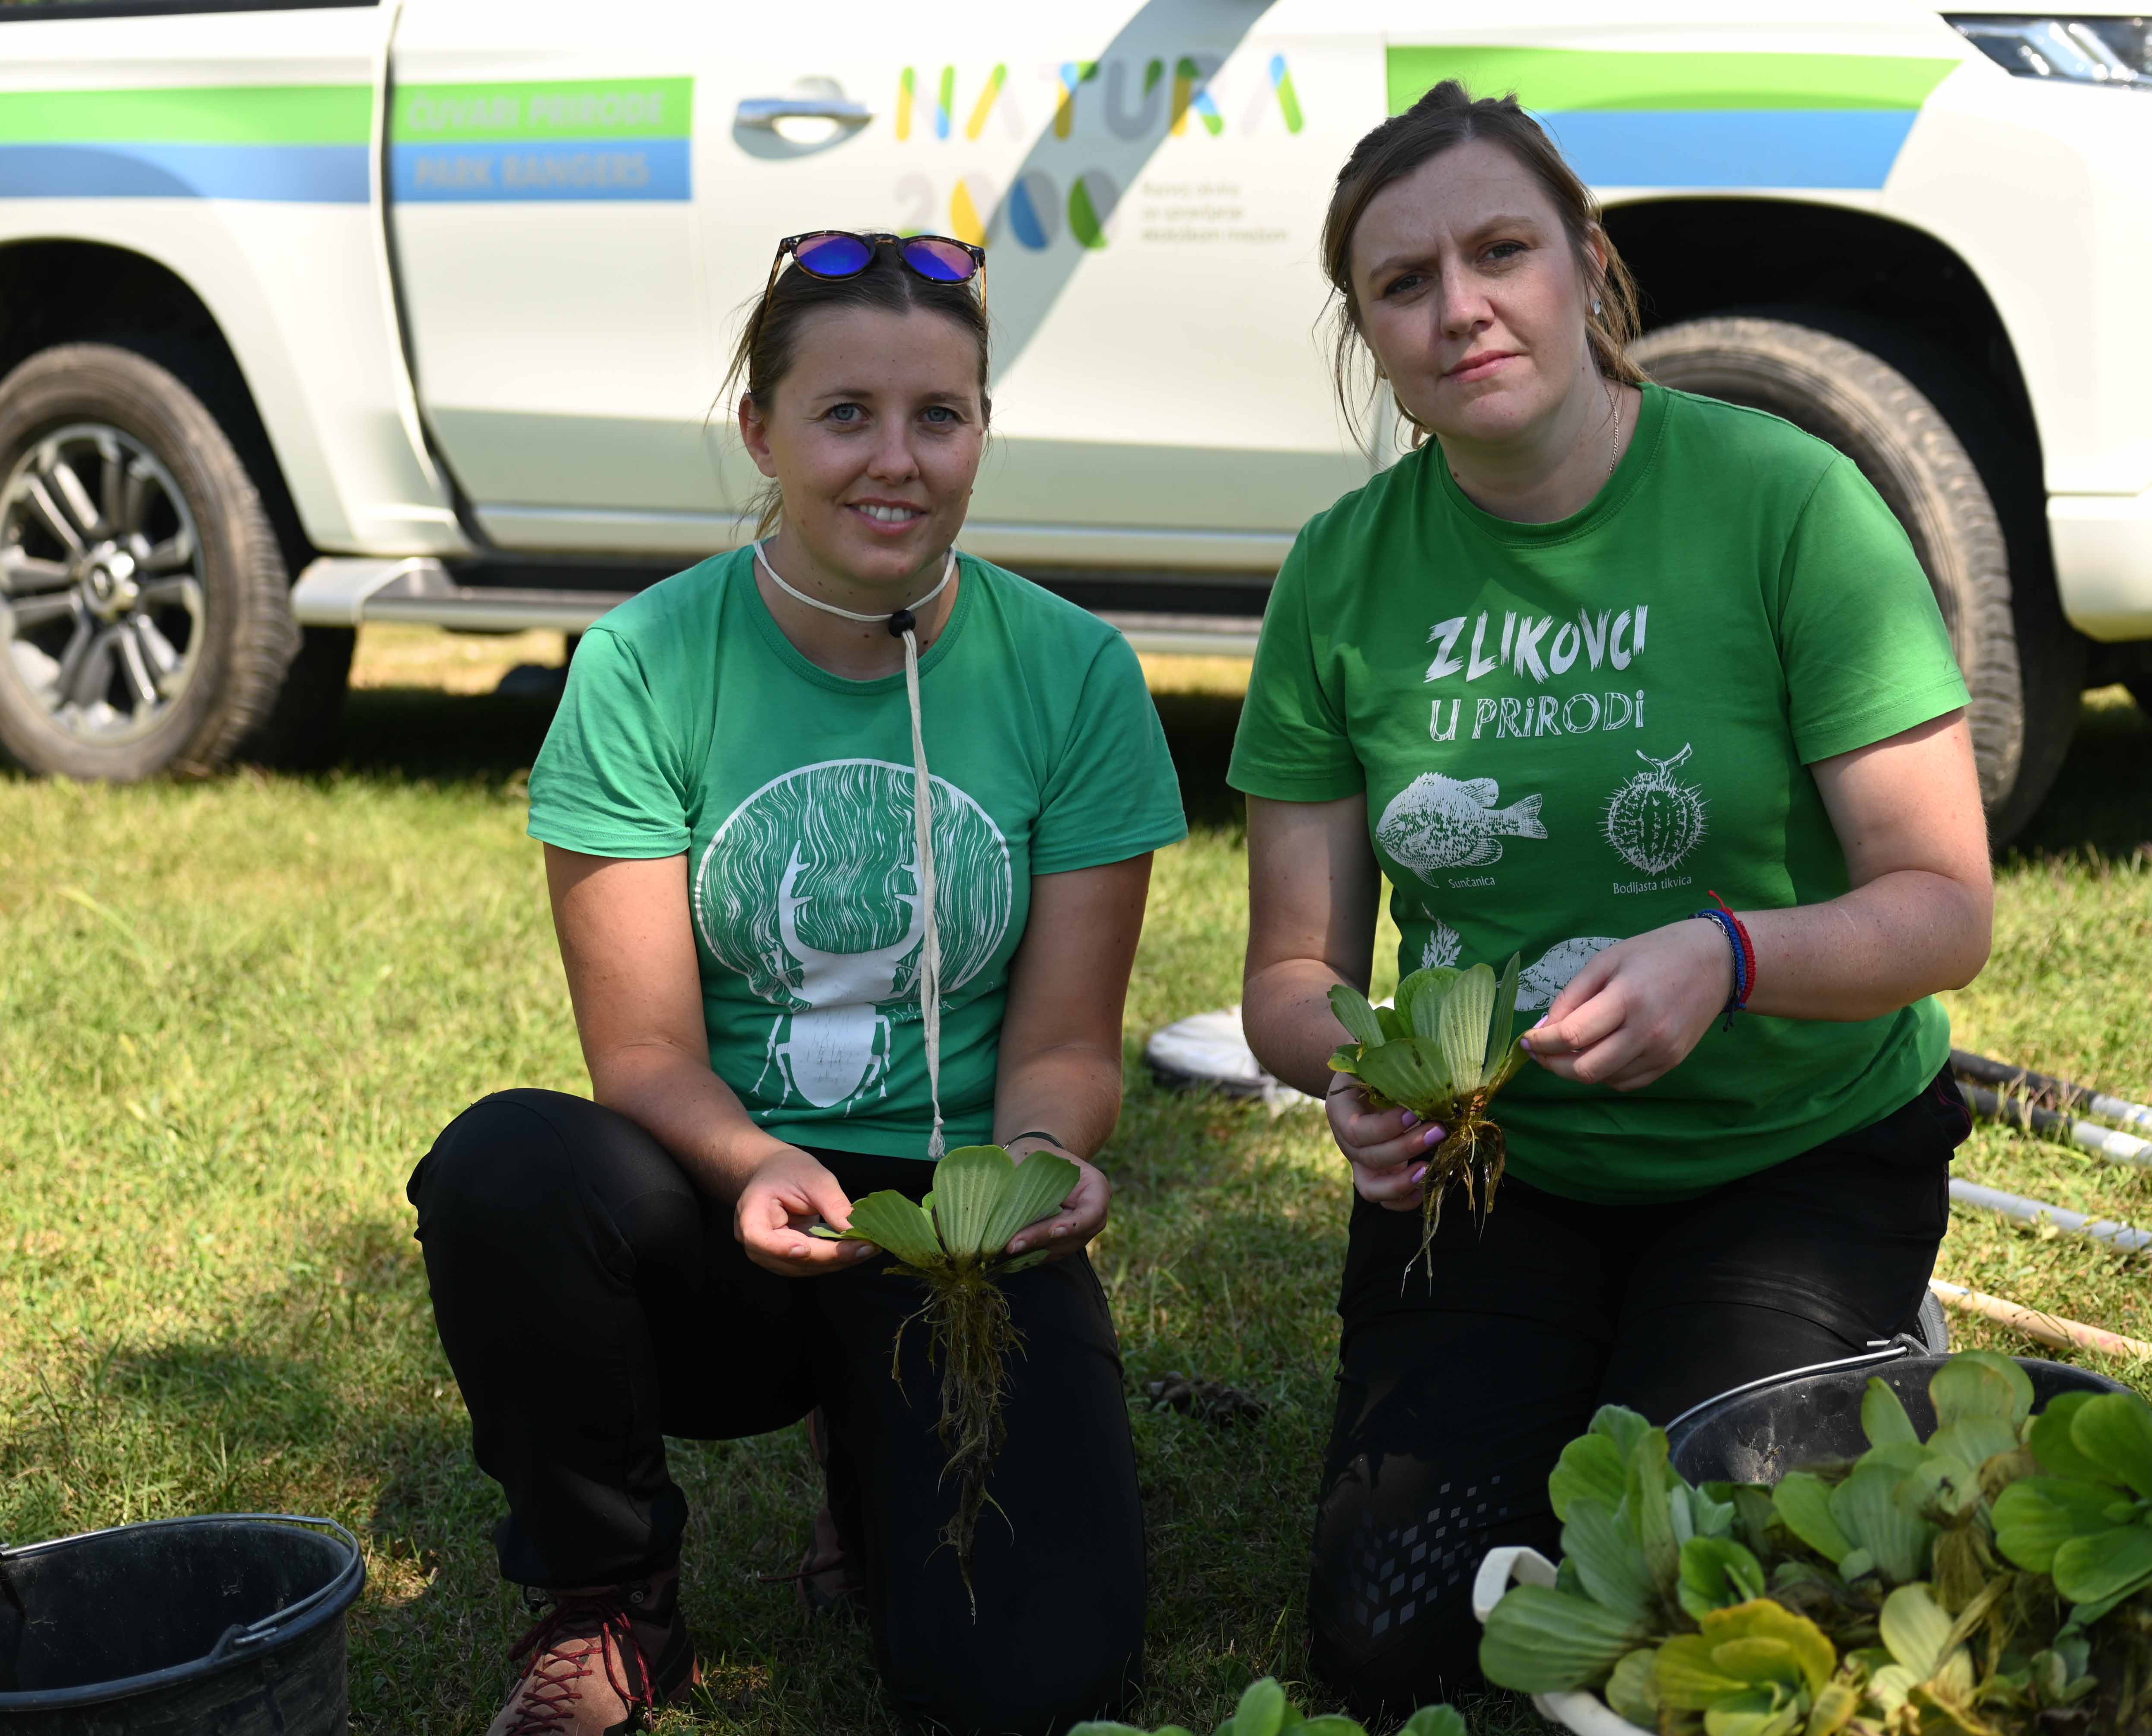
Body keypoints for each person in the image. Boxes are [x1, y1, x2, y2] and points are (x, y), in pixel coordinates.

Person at [1229, 84, 1994, 1713]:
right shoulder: (1339, 576)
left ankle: (1850, 1330)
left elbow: (1943, 911)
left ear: (1585, 264)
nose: (1462, 308)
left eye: (1502, 251)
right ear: (1368, 332)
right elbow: (1294, 971)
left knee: (1700, 1607)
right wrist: (1352, 1068)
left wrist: (1730, 953)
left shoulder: (1788, 502)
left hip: (1794, 1153)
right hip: (1494, 1169)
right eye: (1403, 284)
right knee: (1398, 1652)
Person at [408, 228, 1186, 1736]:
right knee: (512, 1165)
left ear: (979, 431)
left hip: (963, 1227)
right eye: (845, 415)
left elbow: (1068, 1048)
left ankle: (872, 1466)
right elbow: (640, 1057)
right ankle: (610, 1596)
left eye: (938, 416)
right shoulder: (642, 663)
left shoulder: (1079, 674)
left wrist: (1035, 1163)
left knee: (1033, 1690)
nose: (895, 461)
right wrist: (760, 1163)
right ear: (762, 430)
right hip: (728, 1199)